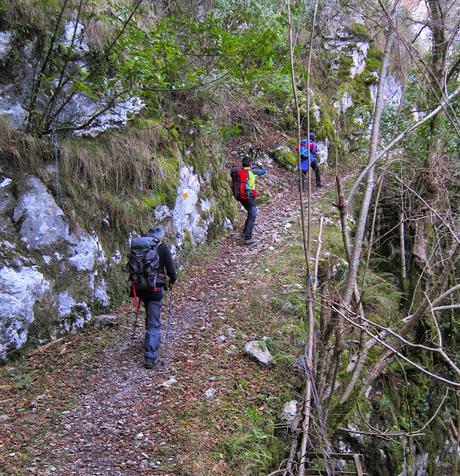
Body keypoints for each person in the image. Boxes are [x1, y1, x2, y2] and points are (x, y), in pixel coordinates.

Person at [130, 226, 177, 369]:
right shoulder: (162, 248)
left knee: (150, 314)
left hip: (140, 289)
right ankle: (150, 356)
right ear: (160, 236)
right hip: (155, 289)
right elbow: (171, 271)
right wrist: (172, 280)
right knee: (154, 322)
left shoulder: (139, 248)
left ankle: (151, 339)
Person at [239, 155, 266, 245]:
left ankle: (245, 232)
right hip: (249, 196)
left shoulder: (240, 171)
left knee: (250, 213)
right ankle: (248, 238)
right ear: (251, 164)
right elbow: (263, 171)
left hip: (240, 196)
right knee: (253, 215)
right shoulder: (252, 171)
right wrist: (260, 164)